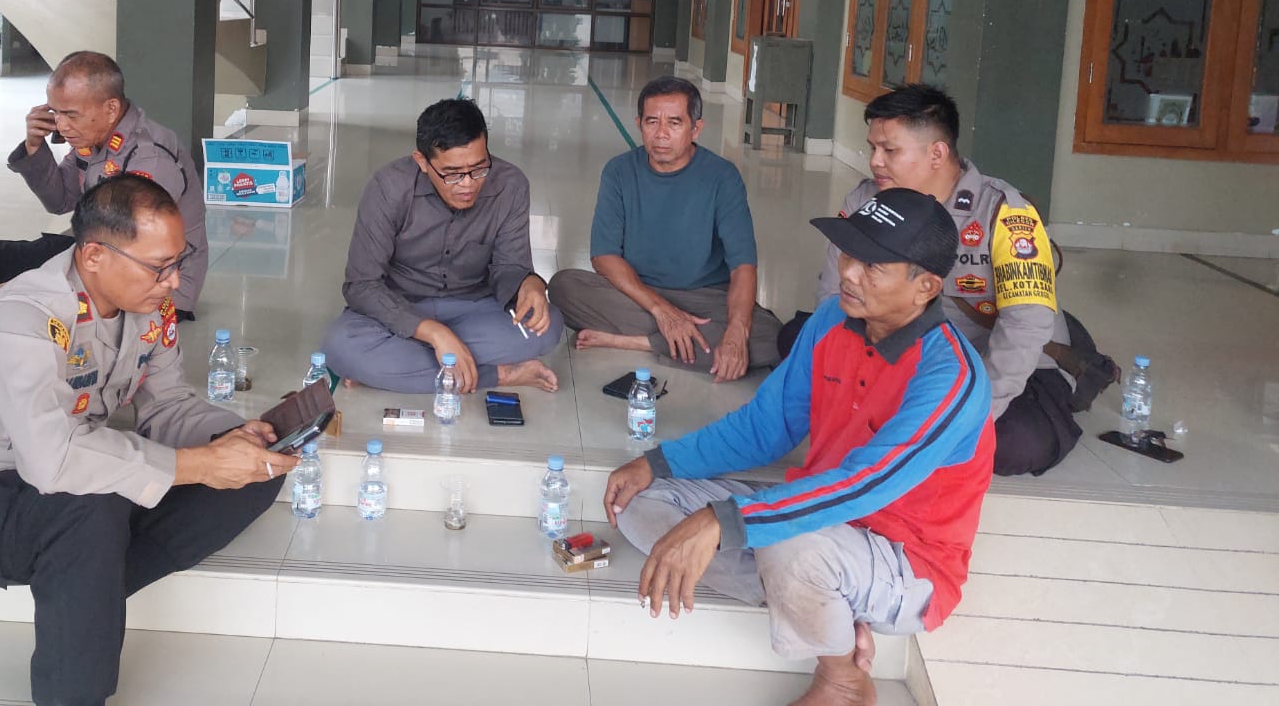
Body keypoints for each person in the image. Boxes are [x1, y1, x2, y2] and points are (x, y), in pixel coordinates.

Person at [0, 177, 294, 706]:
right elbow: (52, 463)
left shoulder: (150, 307)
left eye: (178, 262)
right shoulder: (21, 319)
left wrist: (230, 438)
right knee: (91, 505)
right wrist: (201, 464)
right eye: (159, 266)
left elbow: (168, 406)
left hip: (55, 488)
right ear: (96, 255)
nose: (174, 282)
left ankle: (82, 588)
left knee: (255, 473)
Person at [603, 188, 993, 706]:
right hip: (816, 519)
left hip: (904, 559)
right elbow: (763, 428)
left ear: (926, 286)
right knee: (640, 503)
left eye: (873, 266)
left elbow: (863, 486)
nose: (849, 273)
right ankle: (825, 609)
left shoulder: (950, 376)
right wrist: (659, 463)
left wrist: (725, 521)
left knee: (790, 543)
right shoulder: (832, 320)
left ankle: (842, 680)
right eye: (849, 254)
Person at [788, 83, 1114, 477]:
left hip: (992, 356)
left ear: (937, 154)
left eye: (889, 150)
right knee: (798, 341)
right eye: (872, 148)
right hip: (910, 348)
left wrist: (971, 416)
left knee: (1014, 443)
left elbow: (1025, 326)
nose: (874, 161)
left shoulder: (1006, 214)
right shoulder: (866, 200)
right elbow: (834, 295)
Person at [322, 98, 563, 394]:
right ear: (422, 161)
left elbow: (510, 267)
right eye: (452, 174)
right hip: (400, 306)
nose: (468, 184)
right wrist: (433, 332)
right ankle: (499, 374)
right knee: (341, 345)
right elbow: (361, 285)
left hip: (475, 308)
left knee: (548, 327)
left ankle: (397, 368)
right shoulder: (389, 188)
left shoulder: (510, 185)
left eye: (479, 168)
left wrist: (530, 284)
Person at [549, 76, 781, 380]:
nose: (661, 134)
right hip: (637, 293)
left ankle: (639, 342)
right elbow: (604, 256)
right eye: (651, 122)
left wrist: (737, 331)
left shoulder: (722, 177)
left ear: (695, 128)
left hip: (705, 297)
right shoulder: (619, 171)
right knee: (563, 287)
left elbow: (743, 266)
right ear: (639, 124)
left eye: (674, 123)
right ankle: (680, 339)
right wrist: (661, 310)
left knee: (774, 337)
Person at [0, 50, 207, 321]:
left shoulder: (148, 157)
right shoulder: (94, 139)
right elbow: (60, 201)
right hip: (105, 252)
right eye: (55, 113)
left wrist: (32, 283)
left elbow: (130, 248)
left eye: (71, 115)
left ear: (111, 109)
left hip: (153, 285)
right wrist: (34, 145)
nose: (61, 126)